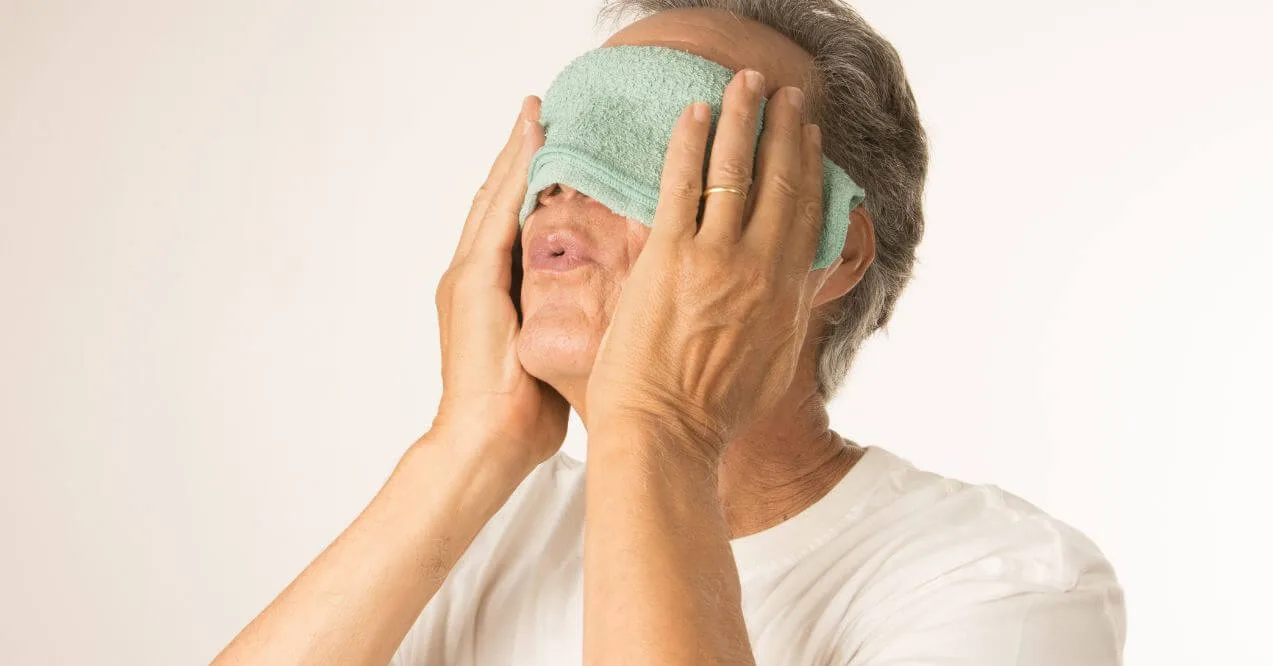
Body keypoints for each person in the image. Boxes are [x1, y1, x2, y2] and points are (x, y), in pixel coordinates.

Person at [212, 3, 1126, 665]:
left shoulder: (1002, 585)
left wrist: (660, 426)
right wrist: (465, 445)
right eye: (560, 144)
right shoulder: (480, 530)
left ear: (830, 248)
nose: (561, 184)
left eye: (653, 140)